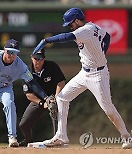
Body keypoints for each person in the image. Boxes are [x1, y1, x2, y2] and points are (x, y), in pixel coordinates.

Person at [32, 8, 132, 149]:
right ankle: (61, 136)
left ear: (77, 20)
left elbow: (65, 37)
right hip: (84, 73)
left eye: (71, 24)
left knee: (108, 109)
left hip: (98, 75)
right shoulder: (94, 27)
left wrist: (46, 40)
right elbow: (107, 36)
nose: (70, 26)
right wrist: (102, 52)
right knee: (62, 98)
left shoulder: (85, 30)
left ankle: (127, 137)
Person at [19, 48, 66, 146]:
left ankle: (58, 140)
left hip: (54, 98)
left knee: (54, 110)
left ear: (44, 58)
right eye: (36, 59)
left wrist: (56, 98)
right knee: (23, 124)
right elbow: (29, 94)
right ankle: (28, 142)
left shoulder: (51, 66)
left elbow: (61, 82)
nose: (38, 61)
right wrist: (42, 103)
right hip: (39, 101)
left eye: (40, 59)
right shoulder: (26, 72)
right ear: (31, 58)